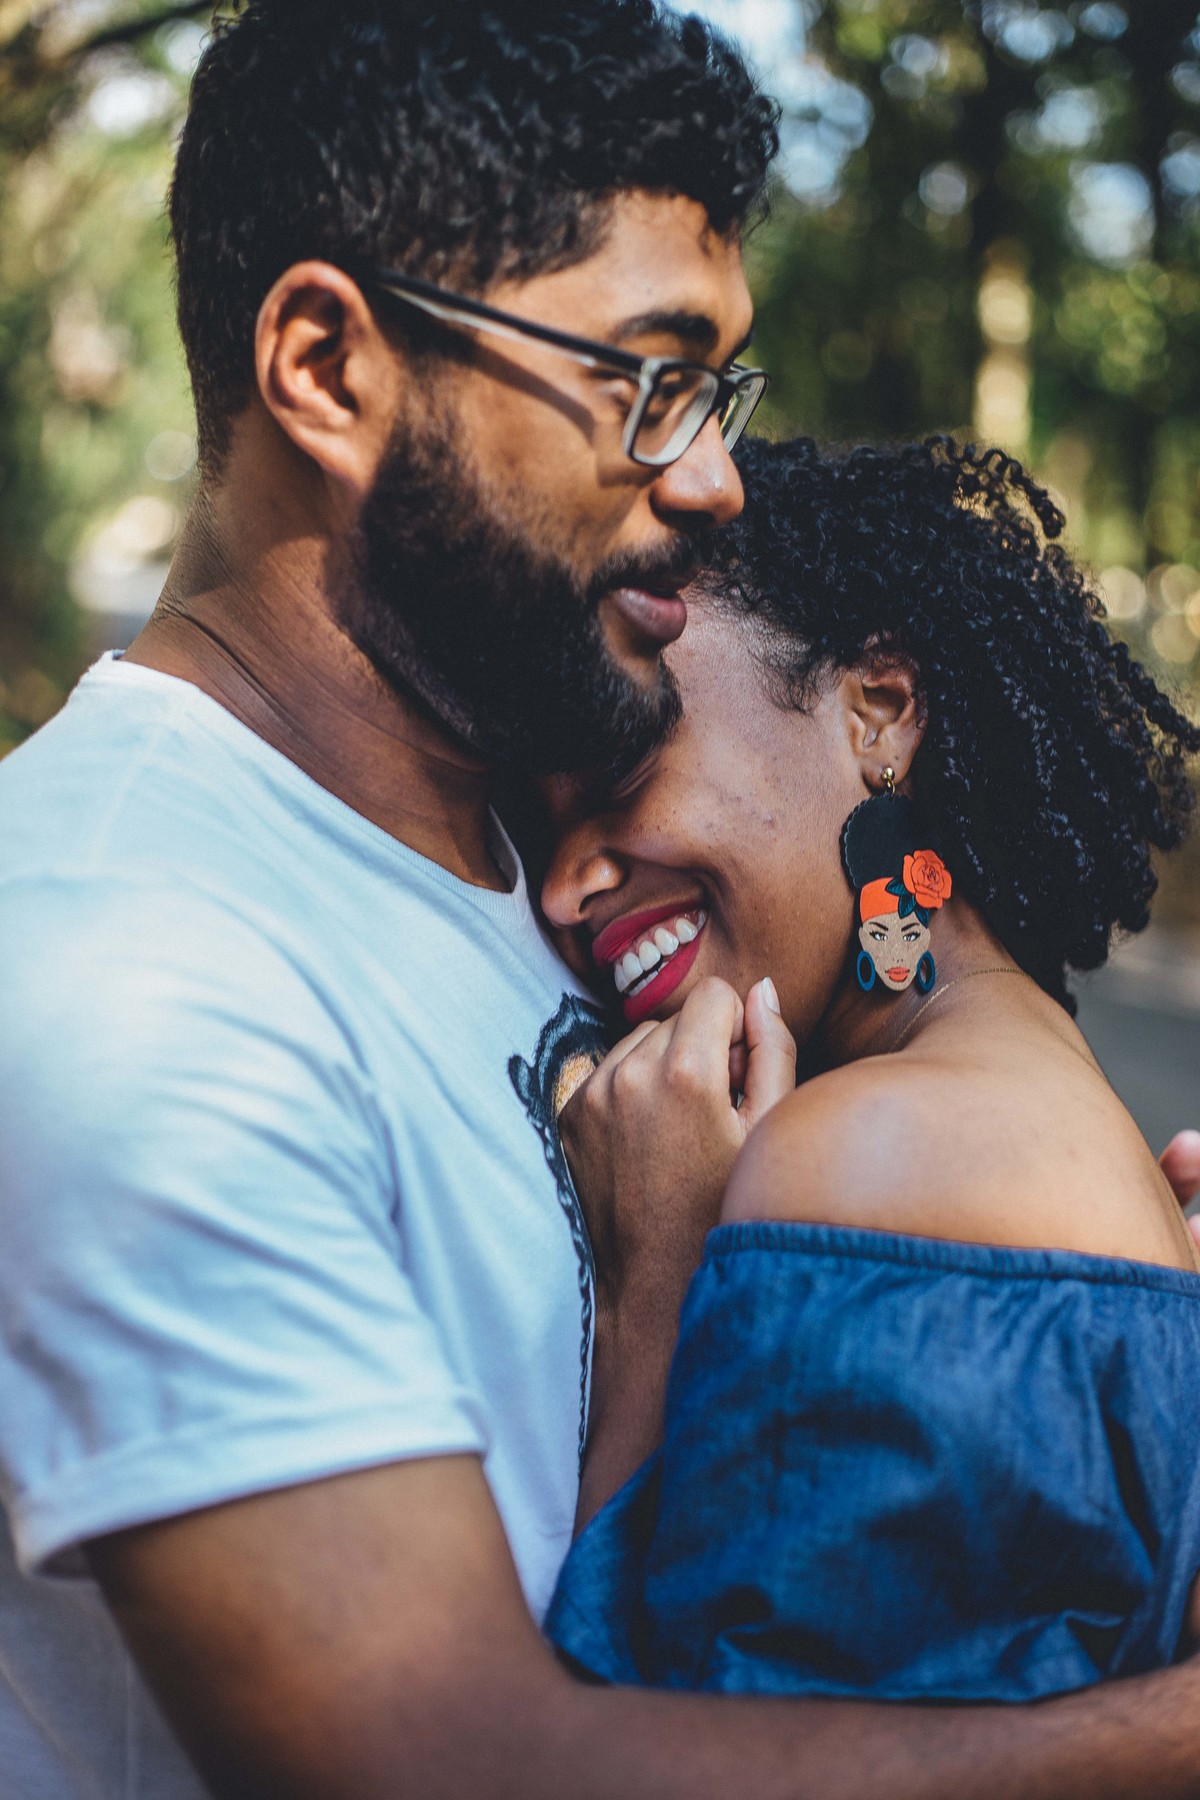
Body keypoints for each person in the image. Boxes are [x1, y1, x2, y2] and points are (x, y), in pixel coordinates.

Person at [0, 4, 1199, 1796]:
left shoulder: (529, 839)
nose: (706, 476)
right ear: (329, 366)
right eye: (647, 379)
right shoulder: (122, 961)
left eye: (721, 391)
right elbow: (449, 1763)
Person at [539, 434, 1200, 1696]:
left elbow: (648, 1764)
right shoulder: (1079, 1133)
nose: (569, 887)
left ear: (878, 714)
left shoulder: (861, 1160)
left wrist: (653, 1306)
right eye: (543, 827)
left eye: (625, 769)